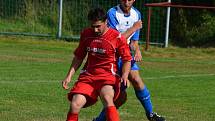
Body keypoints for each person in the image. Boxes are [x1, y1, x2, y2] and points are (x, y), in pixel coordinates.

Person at [93, 0, 166, 121]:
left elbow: (134, 42)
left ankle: (151, 114)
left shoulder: (136, 14)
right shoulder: (112, 13)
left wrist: (137, 50)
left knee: (137, 80)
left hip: (125, 54)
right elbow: (114, 40)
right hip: (112, 56)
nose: (126, 1)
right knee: (120, 96)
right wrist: (133, 28)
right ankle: (99, 120)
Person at [61, 7, 132, 121]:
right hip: (88, 76)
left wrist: (124, 75)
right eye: (93, 26)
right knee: (75, 104)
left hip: (107, 76)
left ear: (106, 22)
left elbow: (127, 59)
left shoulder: (117, 37)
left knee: (107, 98)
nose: (95, 30)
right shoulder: (86, 34)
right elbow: (79, 56)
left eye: (98, 26)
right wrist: (69, 76)